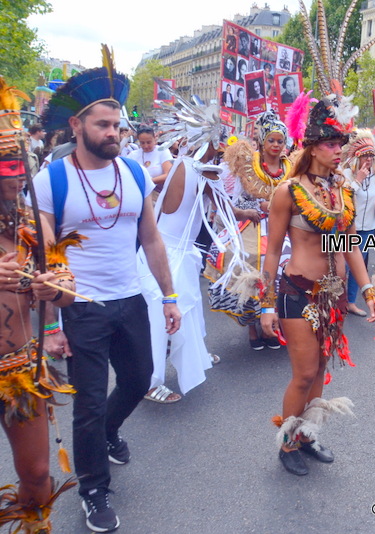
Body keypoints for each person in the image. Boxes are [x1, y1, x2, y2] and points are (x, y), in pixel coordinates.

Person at [33, 54, 181, 532]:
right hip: (80, 307)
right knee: (90, 402)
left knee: (138, 379)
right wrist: (51, 326)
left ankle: (109, 431)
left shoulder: (134, 173)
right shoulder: (51, 180)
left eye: (117, 125)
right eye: (103, 125)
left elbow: (151, 239)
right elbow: (45, 258)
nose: (113, 132)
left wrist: (169, 296)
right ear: (77, 125)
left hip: (130, 298)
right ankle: (94, 490)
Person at [261, 95, 375, 476]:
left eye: (340, 143)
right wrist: (266, 304)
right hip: (297, 292)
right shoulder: (288, 192)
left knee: (320, 369)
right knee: (303, 373)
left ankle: (306, 434)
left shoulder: (343, 191)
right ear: (312, 147)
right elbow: (272, 251)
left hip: (333, 297)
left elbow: (350, 246)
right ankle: (287, 443)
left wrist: (368, 290)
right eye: (330, 144)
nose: (338, 150)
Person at [0, 75, 77, 534]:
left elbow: (66, 285)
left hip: (20, 371)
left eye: (18, 166)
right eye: (5, 168)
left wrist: (52, 289)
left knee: (38, 474)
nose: (15, 178)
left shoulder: (30, 225)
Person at [140, 83, 250, 404]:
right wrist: (249, 212)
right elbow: (226, 207)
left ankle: (196, 353)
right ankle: (150, 382)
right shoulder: (200, 170)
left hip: (174, 250)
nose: (224, 145)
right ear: (212, 142)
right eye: (221, 140)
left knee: (188, 309)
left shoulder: (187, 165)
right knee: (162, 318)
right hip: (169, 254)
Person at [206, 110, 291, 351]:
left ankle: (277, 324)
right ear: (263, 141)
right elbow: (237, 200)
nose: (276, 145)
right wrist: (258, 205)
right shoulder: (248, 164)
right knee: (250, 269)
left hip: (283, 227)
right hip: (254, 225)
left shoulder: (290, 167)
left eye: (280, 141)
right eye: (271, 140)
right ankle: (253, 327)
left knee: (285, 272)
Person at [341, 130, 375, 317]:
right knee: (342, 268)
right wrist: (358, 180)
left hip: (368, 227)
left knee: (358, 267)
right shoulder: (346, 173)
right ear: (357, 157)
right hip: (347, 228)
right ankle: (337, 302)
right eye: (365, 155)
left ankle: (351, 302)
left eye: (371, 155)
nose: (369, 159)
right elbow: (344, 198)